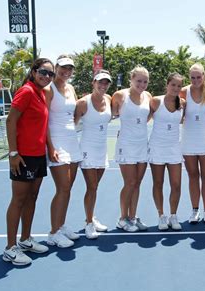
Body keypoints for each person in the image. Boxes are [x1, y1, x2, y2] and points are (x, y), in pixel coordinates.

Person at [3, 58, 53, 266]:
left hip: (38, 155)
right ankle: (10, 248)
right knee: (19, 199)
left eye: (50, 74)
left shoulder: (41, 93)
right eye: (43, 72)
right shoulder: (27, 91)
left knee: (32, 197)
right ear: (33, 71)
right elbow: (10, 120)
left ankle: (25, 240)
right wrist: (13, 153)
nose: (46, 76)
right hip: (23, 156)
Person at [45, 55, 83, 248]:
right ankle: (53, 233)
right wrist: (50, 147)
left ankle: (61, 225)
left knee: (68, 188)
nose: (66, 72)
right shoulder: (48, 88)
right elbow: (43, 120)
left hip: (72, 142)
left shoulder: (71, 88)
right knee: (62, 188)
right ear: (56, 67)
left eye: (70, 69)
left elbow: (73, 115)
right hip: (57, 144)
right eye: (63, 68)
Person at [111, 66, 152, 232]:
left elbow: (147, 116)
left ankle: (133, 217)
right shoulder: (120, 96)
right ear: (131, 80)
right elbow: (112, 113)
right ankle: (122, 218)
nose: (141, 84)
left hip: (142, 144)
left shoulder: (148, 96)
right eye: (138, 81)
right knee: (130, 182)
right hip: (126, 145)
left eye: (145, 81)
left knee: (138, 183)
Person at [74, 70, 112, 239]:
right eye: (100, 82)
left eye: (106, 83)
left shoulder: (109, 100)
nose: (103, 85)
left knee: (95, 187)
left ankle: (91, 217)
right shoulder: (83, 103)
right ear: (93, 83)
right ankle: (89, 223)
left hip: (102, 150)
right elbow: (71, 126)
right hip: (87, 149)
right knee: (92, 187)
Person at [148, 73, 186, 231]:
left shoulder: (182, 103)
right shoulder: (156, 101)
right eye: (173, 85)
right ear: (167, 85)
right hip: (157, 147)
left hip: (174, 149)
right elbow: (142, 118)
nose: (176, 88)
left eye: (179, 86)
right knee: (158, 183)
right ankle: (161, 215)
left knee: (176, 185)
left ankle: (173, 215)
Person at [180, 63, 205, 224]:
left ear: (204, 76)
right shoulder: (183, 92)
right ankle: (195, 210)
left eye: (198, 77)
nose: (195, 80)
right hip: (188, 140)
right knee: (193, 176)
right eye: (192, 77)